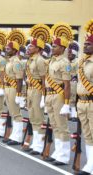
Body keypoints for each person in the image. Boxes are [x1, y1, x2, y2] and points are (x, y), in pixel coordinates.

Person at [44, 22, 73, 165]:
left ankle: (64, 155)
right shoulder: (51, 61)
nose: (52, 48)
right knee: (54, 125)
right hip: (49, 95)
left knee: (62, 126)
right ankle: (58, 151)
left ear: (62, 47)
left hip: (59, 95)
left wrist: (67, 104)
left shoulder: (65, 62)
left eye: (54, 46)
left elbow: (67, 85)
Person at [26, 24, 50, 155]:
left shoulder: (40, 60)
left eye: (31, 46)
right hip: (30, 91)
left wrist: (44, 97)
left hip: (37, 91)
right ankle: (36, 143)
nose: (29, 47)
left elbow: (43, 79)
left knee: (39, 118)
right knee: (32, 117)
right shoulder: (30, 60)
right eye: (29, 46)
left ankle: (39, 145)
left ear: (38, 48)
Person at [76, 19, 93, 175]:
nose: (85, 46)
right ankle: (90, 165)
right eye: (85, 44)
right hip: (82, 102)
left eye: (88, 44)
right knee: (87, 135)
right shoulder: (82, 63)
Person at [4, 29, 26, 145]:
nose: (6, 50)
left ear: (14, 50)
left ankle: (17, 137)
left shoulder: (16, 62)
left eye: (8, 49)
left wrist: (18, 94)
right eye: (6, 48)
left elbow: (19, 79)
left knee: (16, 113)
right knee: (12, 112)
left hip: (13, 89)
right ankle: (14, 134)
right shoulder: (9, 61)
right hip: (8, 88)